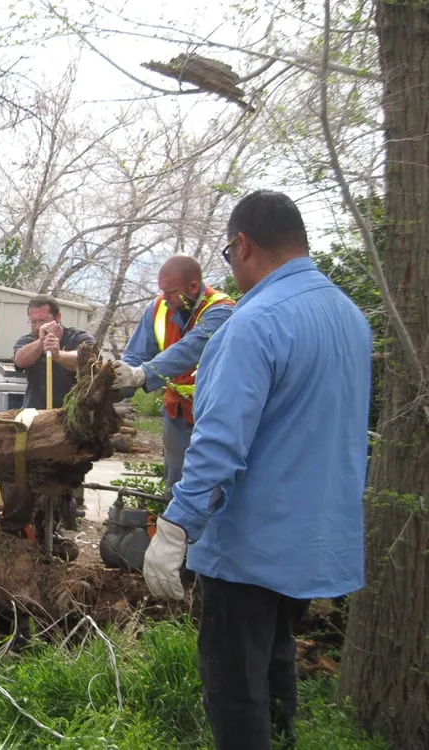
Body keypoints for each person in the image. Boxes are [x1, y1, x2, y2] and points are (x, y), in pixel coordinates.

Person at [142, 191, 372, 749]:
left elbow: (218, 445)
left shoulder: (252, 324)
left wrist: (176, 527)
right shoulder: (350, 317)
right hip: (314, 542)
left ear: (242, 244)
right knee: (275, 658)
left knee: (233, 686)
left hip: (250, 548)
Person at [113, 256, 234, 499]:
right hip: (177, 413)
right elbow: (136, 354)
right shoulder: (158, 308)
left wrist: (142, 374)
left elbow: (188, 350)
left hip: (213, 414)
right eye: (162, 291)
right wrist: (118, 383)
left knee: (210, 487)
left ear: (193, 287)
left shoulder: (221, 311)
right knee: (175, 484)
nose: (165, 298)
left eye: (171, 292)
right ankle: (175, 532)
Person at [0, 296, 95, 547]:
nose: (38, 325)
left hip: (69, 421)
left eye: (43, 320)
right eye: (33, 321)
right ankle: (17, 528)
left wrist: (58, 354)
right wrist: (41, 343)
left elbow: (86, 360)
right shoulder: (28, 340)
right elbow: (20, 360)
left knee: (60, 478)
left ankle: (51, 528)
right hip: (34, 419)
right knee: (25, 473)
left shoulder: (78, 338)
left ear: (58, 317)